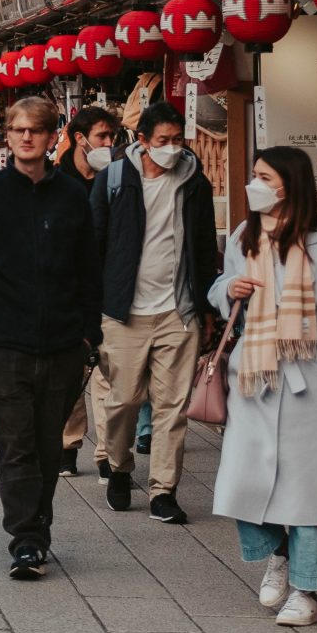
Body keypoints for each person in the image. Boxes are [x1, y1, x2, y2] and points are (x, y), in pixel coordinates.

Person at [209, 144, 317, 628]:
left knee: (305, 491)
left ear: (288, 184)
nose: (254, 183)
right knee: (245, 480)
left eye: (263, 176)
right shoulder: (243, 235)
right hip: (253, 379)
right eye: (253, 174)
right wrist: (226, 291)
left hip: (307, 379)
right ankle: (277, 555)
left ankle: (308, 589)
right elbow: (222, 288)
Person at [0, 95, 101, 581]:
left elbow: (88, 270)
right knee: (14, 447)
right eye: (17, 129)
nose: (26, 137)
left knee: (47, 448)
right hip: (1, 346)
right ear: (8, 136)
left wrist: (86, 335)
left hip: (60, 345)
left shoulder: (74, 197)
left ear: (52, 135)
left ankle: (37, 527)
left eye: (35, 129)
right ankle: (26, 538)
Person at [89, 102, 218, 523]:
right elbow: (93, 242)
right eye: (163, 141)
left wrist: (204, 308)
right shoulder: (114, 179)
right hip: (123, 312)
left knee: (171, 407)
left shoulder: (193, 181)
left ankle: (164, 490)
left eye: (178, 141)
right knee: (123, 400)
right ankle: (121, 469)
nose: (172, 149)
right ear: (142, 141)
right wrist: (91, 310)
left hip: (177, 312)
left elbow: (201, 246)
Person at [54, 105, 121, 475]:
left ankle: (108, 453)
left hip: (110, 288)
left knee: (108, 374)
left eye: (112, 137)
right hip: (69, 288)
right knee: (72, 373)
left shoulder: (117, 180)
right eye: (102, 137)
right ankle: (68, 443)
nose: (108, 144)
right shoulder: (58, 182)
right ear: (80, 139)